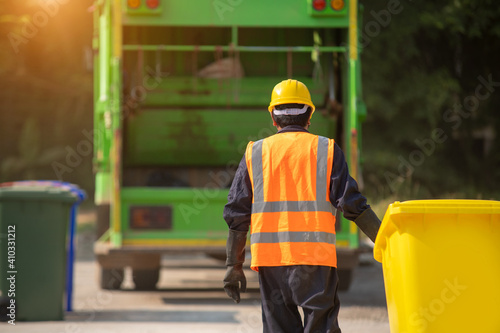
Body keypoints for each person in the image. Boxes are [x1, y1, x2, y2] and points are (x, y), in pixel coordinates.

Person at [223, 79, 381, 333]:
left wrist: (234, 266)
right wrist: (384, 239)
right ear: (309, 116)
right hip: (315, 260)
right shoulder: (326, 149)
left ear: (274, 118)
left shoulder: (256, 152)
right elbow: (352, 203)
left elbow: (236, 212)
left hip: (271, 262)